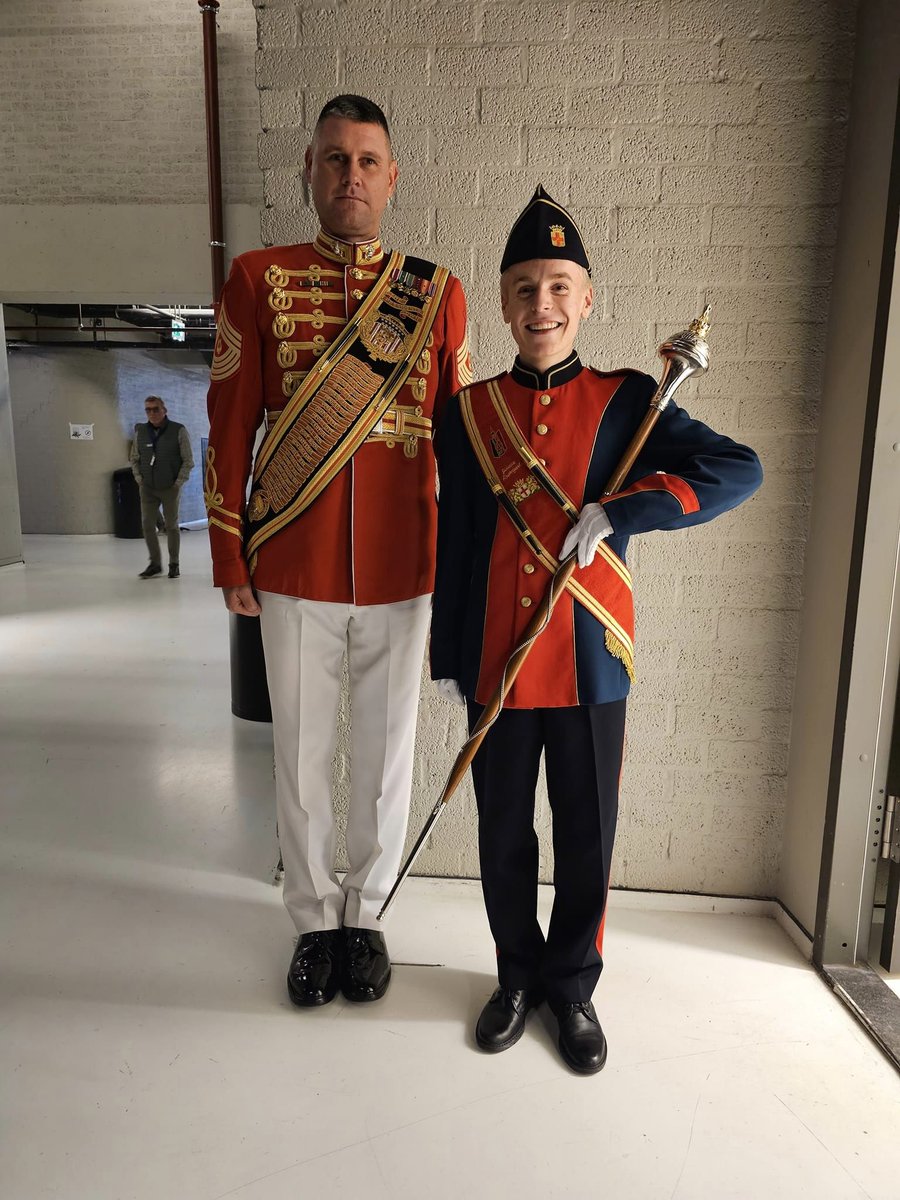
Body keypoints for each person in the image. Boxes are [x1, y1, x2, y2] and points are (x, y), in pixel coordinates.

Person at [430, 187, 762, 1074]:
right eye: (524, 288)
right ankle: (514, 976)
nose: (541, 304)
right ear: (505, 303)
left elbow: (739, 469)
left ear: (586, 300)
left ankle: (571, 988)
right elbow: (458, 540)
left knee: (587, 834)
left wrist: (621, 512)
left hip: (588, 660)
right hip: (500, 657)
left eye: (559, 286)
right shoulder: (468, 413)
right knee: (502, 834)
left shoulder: (630, 402)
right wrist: (456, 658)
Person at [205, 95, 471, 1008]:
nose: (350, 176)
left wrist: (466, 567)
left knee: (390, 752)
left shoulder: (436, 291)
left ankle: (368, 917)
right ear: (309, 174)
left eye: (367, 161)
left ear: (391, 177)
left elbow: (457, 442)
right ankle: (315, 925)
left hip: (405, 564)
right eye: (333, 160)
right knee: (304, 754)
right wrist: (230, 554)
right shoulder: (256, 277)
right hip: (294, 562)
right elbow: (228, 429)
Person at [130, 395, 193, 579]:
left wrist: (178, 483)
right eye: (148, 410)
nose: (152, 413)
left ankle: (174, 563)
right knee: (147, 525)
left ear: (164, 410)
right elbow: (134, 457)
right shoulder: (140, 431)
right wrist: (139, 478)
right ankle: (155, 564)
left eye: (155, 409)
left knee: (171, 526)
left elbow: (188, 460)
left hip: (169, 487)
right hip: (148, 487)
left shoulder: (178, 430)